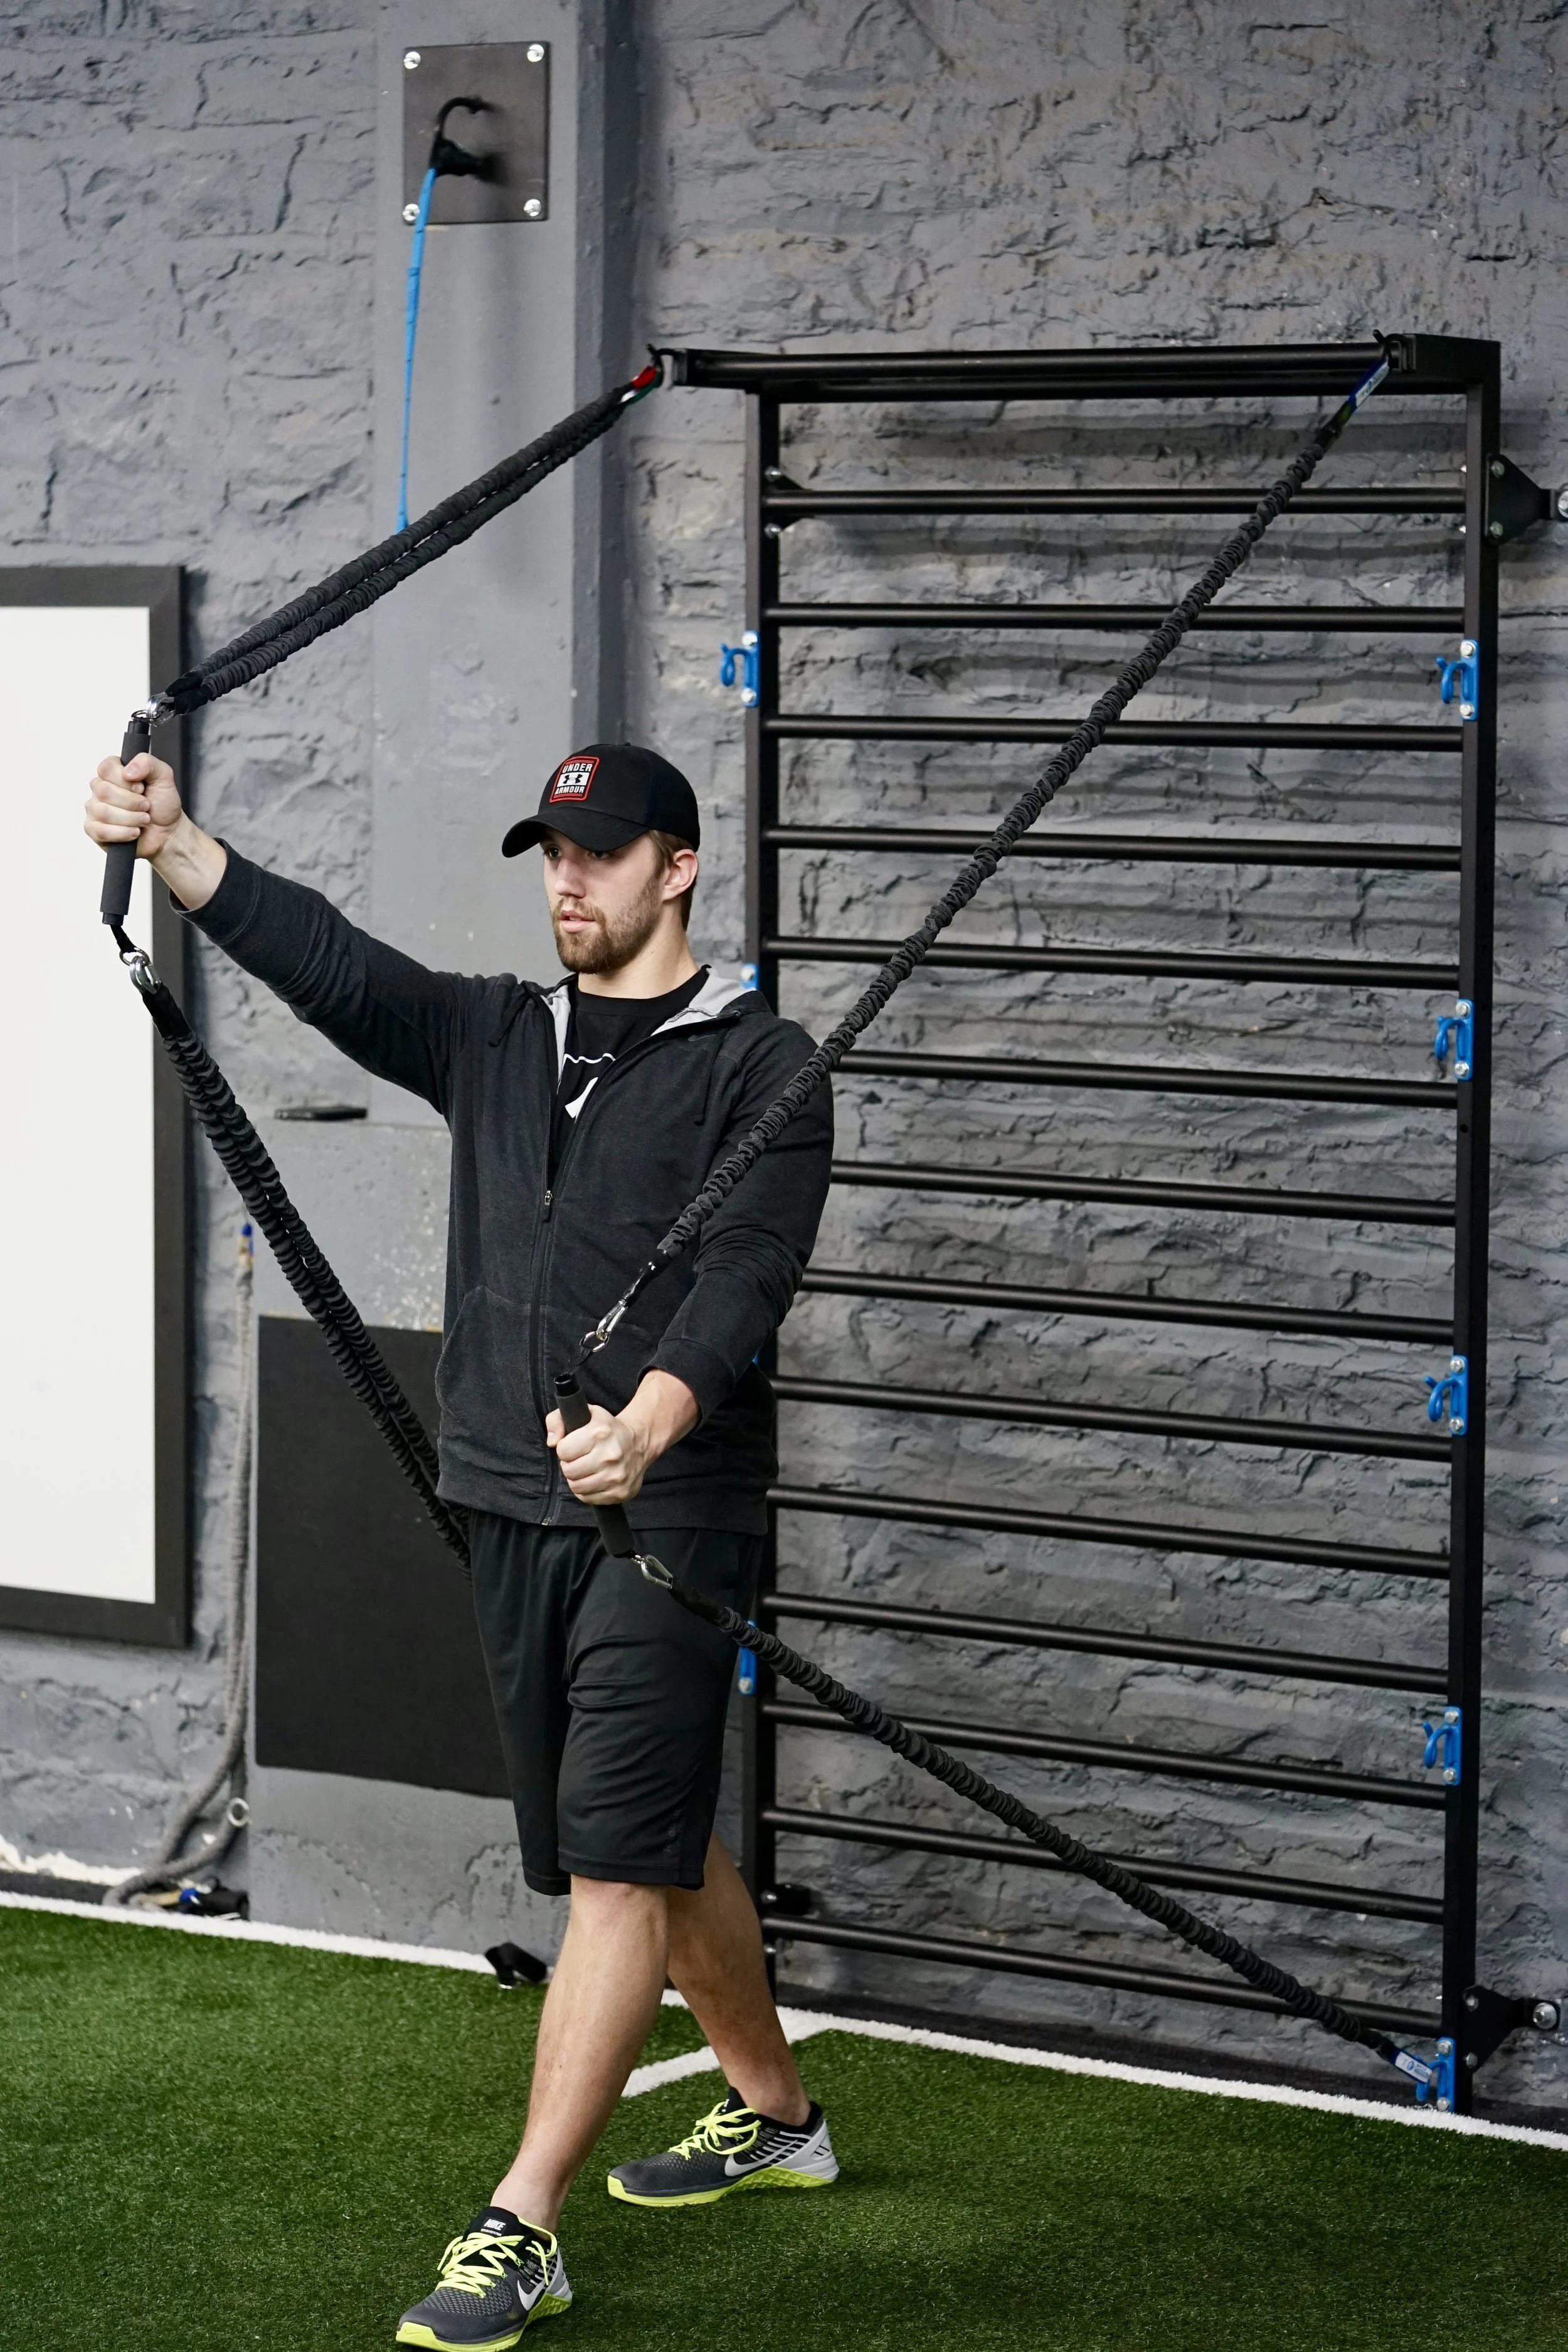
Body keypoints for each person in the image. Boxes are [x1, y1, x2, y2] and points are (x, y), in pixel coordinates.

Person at [85, 739, 838, 2348]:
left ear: (679, 868)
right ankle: (777, 2114)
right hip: (503, 1498)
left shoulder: (761, 1067)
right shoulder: (501, 1034)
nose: (567, 880)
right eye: (551, 855)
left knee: (617, 1870)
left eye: (600, 854)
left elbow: (746, 1280)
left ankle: (522, 2222)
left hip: (666, 1524)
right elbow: (337, 972)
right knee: (628, 1834)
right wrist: (178, 847)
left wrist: (653, 1419)